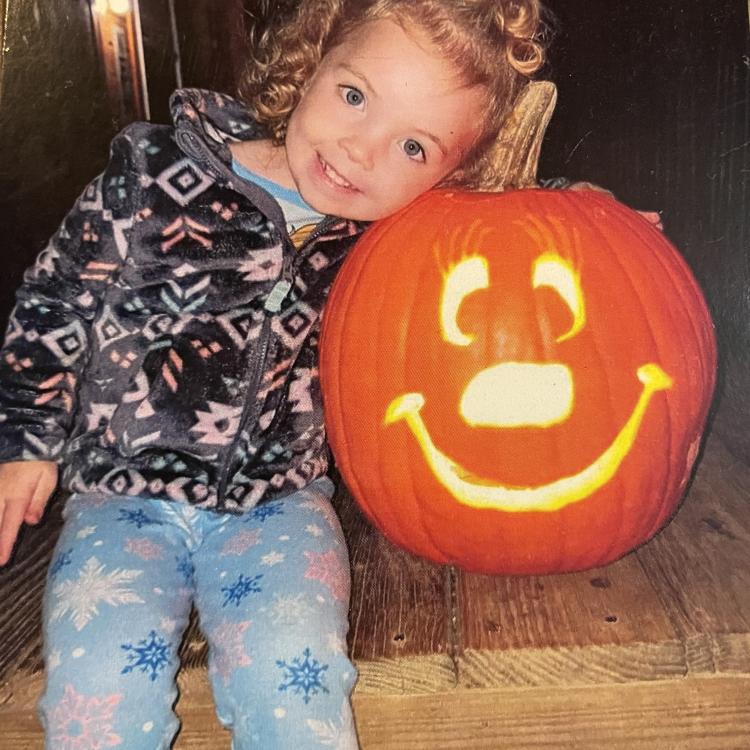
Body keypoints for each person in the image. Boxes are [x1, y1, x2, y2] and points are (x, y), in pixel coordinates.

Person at [0, 0, 548, 747]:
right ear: (313, 59)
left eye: (414, 147)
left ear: (457, 172)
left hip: (279, 507)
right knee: (97, 686)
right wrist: (27, 436)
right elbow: (56, 296)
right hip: (120, 499)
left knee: (297, 673)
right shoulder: (156, 175)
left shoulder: (387, 240)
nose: (360, 149)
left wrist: (595, 210)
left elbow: (512, 247)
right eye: (354, 97)